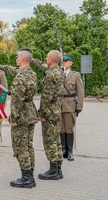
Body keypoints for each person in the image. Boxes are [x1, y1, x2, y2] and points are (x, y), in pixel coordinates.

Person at [0, 48, 39, 188]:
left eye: (17, 56)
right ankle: (30, 175)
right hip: (30, 113)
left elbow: (16, 100)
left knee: (20, 147)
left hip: (21, 115)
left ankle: (26, 178)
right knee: (28, 145)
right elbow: (11, 69)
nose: (16, 58)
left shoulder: (19, 77)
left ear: (22, 58)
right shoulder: (31, 73)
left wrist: (14, 119)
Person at [32, 50, 64, 180]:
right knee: (56, 140)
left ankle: (53, 171)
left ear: (51, 59)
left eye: (47, 57)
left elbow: (46, 96)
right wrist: (31, 58)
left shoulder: (51, 75)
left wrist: (42, 113)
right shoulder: (59, 71)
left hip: (49, 110)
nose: (46, 58)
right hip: (56, 108)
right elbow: (43, 66)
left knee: (49, 140)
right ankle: (58, 169)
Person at [60, 53, 84, 161]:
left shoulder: (75, 75)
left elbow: (80, 93)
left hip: (70, 105)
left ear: (71, 63)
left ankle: (70, 151)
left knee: (69, 128)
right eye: (63, 60)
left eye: (66, 60)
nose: (64, 62)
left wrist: (79, 107)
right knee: (61, 129)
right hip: (59, 104)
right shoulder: (58, 74)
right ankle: (63, 150)